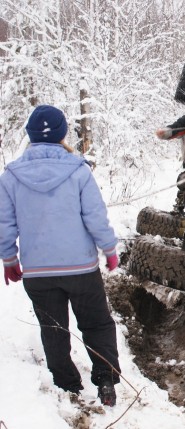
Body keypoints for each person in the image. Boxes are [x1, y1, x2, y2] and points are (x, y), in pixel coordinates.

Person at [0, 105, 121, 406]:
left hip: (39, 272)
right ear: (62, 133)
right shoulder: (78, 170)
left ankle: (68, 388)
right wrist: (108, 249)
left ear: (30, 135)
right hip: (80, 268)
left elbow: (5, 222)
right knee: (96, 324)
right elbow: (95, 216)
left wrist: (9, 259)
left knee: (54, 328)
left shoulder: (11, 175)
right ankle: (105, 380)